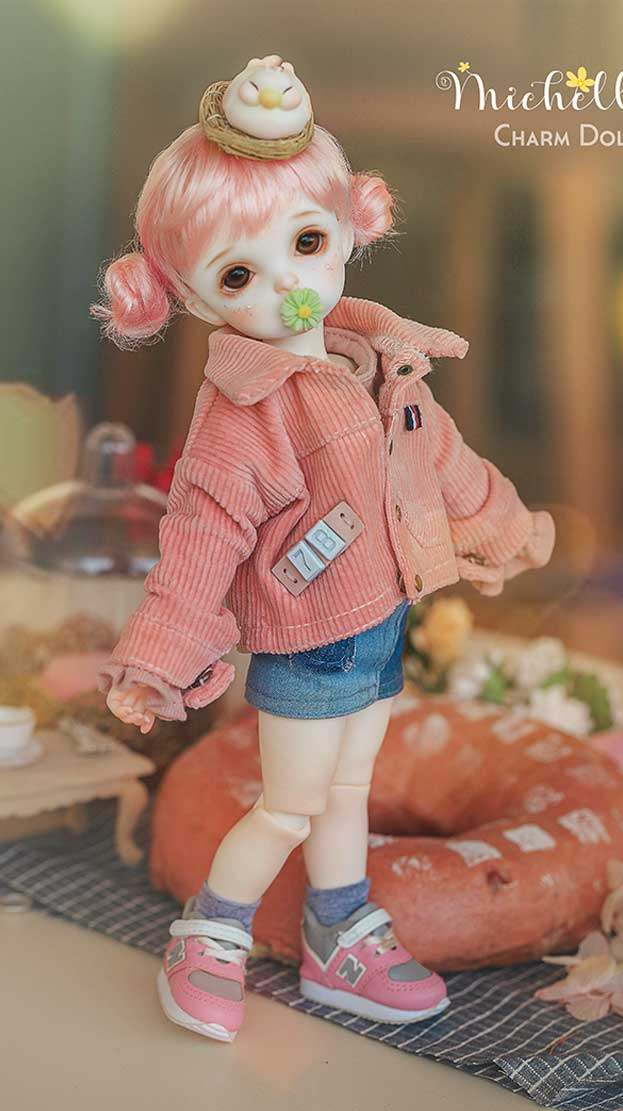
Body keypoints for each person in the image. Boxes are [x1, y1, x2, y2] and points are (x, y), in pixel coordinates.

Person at [93, 54, 555, 1042]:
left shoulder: (374, 355)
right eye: (239, 274)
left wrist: (507, 527)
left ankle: (337, 930)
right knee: (291, 803)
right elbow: (200, 539)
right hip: (310, 641)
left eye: (306, 242)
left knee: (348, 790)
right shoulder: (242, 415)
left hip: (383, 620)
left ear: (347, 226)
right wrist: (159, 657)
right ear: (192, 298)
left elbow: (441, 460)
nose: (290, 286)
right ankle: (210, 931)